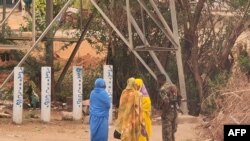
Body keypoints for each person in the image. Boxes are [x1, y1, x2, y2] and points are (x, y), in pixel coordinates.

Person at [157, 74, 180, 141]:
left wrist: (163, 113)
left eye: (157, 80)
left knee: (166, 135)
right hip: (175, 112)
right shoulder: (173, 86)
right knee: (172, 134)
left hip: (168, 113)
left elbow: (166, 102)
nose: (157, 82)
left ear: (160, 80)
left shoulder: (162, 89)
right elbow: (179, 97)